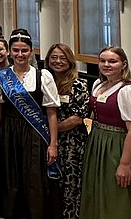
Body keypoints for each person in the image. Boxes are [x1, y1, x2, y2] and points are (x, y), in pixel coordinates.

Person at [0, 30, 61, 219]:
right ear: (9, 52)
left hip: (35, 133)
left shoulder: (43, 76)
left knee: (33, 178)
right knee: (11, 178)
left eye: (24, 50)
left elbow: (51, 112)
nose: (20, 54)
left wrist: (53, 144)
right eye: (16, 50)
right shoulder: (0, 77)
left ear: (31, 51)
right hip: (9, 132)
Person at [80, 46, 131, 219]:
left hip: (118, 146)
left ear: (124, 64)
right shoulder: (99, 84)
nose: (106, 65)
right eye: (103, 61)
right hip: (98, 143)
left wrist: (125, 164)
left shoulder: (129, 90)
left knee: (116, 196)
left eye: (112, 61)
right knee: (98, 191)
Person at [44, 43, 88, 219]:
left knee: (70, 184)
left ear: (70, 61)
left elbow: (77, 118)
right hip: (46, 141)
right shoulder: (42, 82)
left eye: (63, 58)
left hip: (72, 143)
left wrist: (50, 130)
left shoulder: (79, 85)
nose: (58, 61)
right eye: (54, 57)